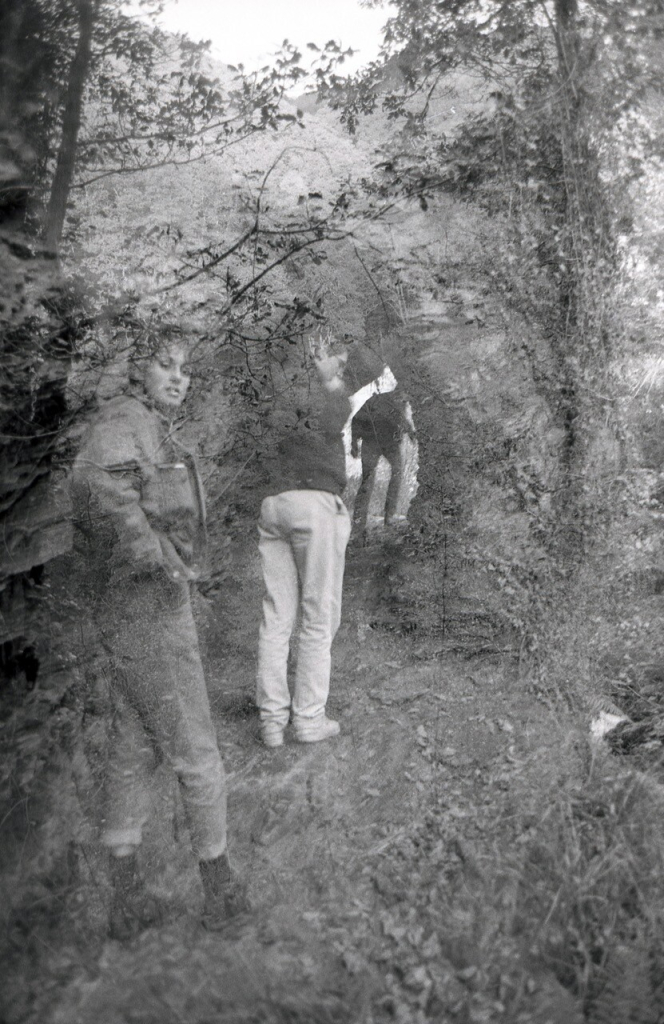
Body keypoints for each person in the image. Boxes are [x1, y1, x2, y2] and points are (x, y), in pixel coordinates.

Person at [71, 335, 248, 939]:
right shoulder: (125, 421)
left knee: (132, 746)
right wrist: (163, 561)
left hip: (130, 605)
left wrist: (180, 558)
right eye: (165, 365)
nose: (179, 377)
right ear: (137, 369)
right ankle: (221, 890)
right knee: (196, 747)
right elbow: (98, 491)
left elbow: (156, 503)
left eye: (185, 368)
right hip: (146, 606)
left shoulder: (146, 423)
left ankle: (125, 900)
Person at [255, 334, 353, 748]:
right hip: (315, 504)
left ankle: (272, 722)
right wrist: (332, 381)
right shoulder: (322, 391)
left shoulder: (272, 389)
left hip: (274, 505)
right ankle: (309, 719)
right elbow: (336, 416)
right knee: (318, 617)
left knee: (277, 617)